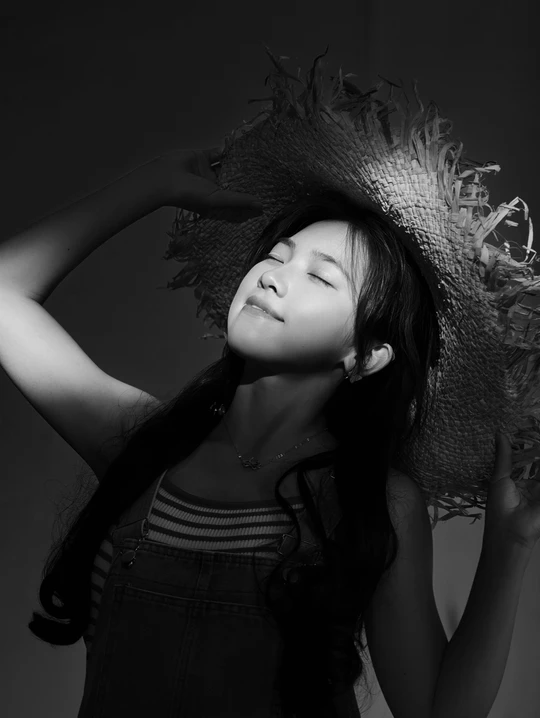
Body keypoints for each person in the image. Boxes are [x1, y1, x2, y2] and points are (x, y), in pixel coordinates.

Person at [2, 47, 539, 718]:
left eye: (320, 276)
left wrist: (510, 546)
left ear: (367, 355)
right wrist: (153, 184)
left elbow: (434, 711)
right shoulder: (141, 442)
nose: (274, 276)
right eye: (277, 256)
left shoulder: (374, 501)